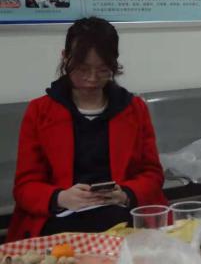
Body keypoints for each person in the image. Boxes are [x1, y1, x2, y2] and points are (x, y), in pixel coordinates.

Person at [8, 17, 166, 241]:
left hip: (122, 217)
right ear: (65, 57)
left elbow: (152, 174)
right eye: (82, 69)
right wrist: (60, 197)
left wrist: (125, 194)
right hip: (60, 220)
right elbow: (25, 186)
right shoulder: (40, 111)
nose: (92, 79)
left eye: (102, 70)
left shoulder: (133, 109)